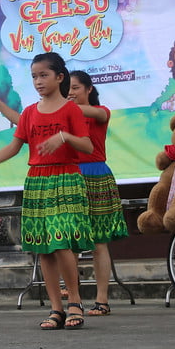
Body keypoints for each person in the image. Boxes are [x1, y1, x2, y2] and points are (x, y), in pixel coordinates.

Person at [0, 52, 94, 330]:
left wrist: (64, 137)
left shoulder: (71, 110)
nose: (38, 81)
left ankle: (74, 301)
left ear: (60, 77)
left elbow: (87, 146)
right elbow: (14, 147)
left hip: (66, 177)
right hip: (37, 181)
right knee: (44, 249)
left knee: (61, 243)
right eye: (34, 76)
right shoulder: (29, 113)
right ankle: (56, 308)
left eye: (43, 75)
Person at [68, 71, 128, 316]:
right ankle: (74, 299)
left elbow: (95, 113)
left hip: (96, 176)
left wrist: (59, 106)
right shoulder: (65, 115)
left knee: (99, 243)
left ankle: (102, 300)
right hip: (70, 177)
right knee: (69, 243)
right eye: (67, 89)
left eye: (75, 88)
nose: (70, 93)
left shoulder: (100, 112)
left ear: (88, 89)